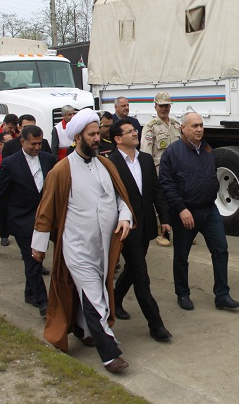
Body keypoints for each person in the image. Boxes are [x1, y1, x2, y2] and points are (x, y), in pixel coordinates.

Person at [31, 108, 133, 373]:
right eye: (92, 134)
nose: (97, 138)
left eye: (98, 133)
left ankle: (82, 329)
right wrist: (38, 247)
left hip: (104, 247)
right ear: (77, 137)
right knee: (94, 297)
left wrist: (124, 218)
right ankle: (110, 354)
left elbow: (121, 199)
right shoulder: (61, 171)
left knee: (97, 291)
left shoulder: (106, 164)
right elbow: (45, 211)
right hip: (77, 248)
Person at [159, 111, 239, 311]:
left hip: (209, 210)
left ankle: (222, 295)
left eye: (201, 125)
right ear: (183, 128)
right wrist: (181, 209)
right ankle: (183, 293)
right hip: (186, 213)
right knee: (181, 255)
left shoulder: (207, 149)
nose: (199, 129)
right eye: (194, 126)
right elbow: (166, 185)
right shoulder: (172, 152)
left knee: (221, 250)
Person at [108, 118, 172, 341]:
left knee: (134, 268)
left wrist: (164, 219)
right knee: (141, 276)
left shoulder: (145, 160)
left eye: (135, 131)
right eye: (129, 132)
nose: (135, 134)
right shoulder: (110, 163)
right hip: (124, 228)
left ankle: (114, 298)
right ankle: (156, 325)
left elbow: (156, 192)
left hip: (145, 227)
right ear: (118, 139)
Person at [0, 125, 56, 317]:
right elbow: (2, 195)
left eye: (39, 143)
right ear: (22, 142)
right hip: (21, 219)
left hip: (45, 218)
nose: (37, 147)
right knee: (33, 260)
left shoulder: (48, 160)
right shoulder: (11, 163)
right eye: (33, 144)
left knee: (37, 260)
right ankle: (44, 302)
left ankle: (30, 293)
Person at [141, 92, 181, 247]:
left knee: (177, 199)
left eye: (166, 106)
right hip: (160, 171)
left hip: (177, 171)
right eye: (161, 106)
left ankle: (179, 230)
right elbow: (146, 153)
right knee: (161, 202)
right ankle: (161, 232)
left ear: (170, 106)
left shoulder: (177, 125)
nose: (164, 109)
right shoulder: (150, 127)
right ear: (155, 107)